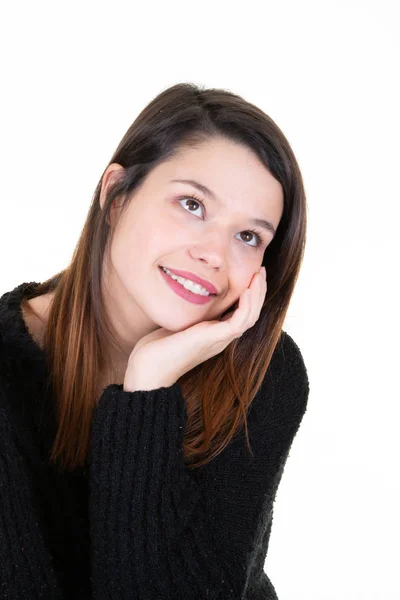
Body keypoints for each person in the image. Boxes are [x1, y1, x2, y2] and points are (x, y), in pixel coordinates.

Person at [0, 82, 310, 599]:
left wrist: (147, 393)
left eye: (248, 236)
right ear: (116, 196)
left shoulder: (261, 371)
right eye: (191, 204)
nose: (214, 253)